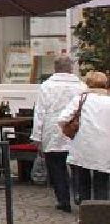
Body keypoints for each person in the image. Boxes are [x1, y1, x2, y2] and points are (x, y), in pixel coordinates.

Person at [32, 54, 85, 212]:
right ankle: (79, 195)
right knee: (78, 166)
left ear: (55, 68)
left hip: (52, 129)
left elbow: (39, 112)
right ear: (71, 68)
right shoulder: (81, 86)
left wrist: (37, 136)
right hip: (75, 130)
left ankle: (63, 200)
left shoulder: (46, 86)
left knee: (56, 167)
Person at [60, 71, 110, 202]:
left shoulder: (81, 99)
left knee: (83, 179)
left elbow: (62, 118)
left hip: (83, 144)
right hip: (105, 147)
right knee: (102, 182)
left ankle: (84, 207)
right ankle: (101, 209)